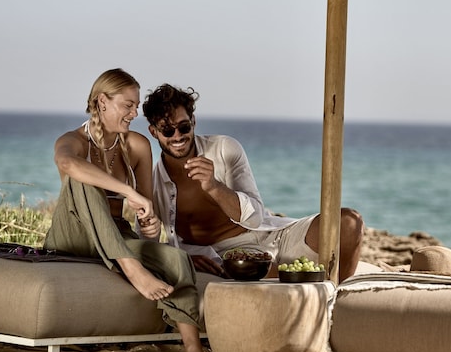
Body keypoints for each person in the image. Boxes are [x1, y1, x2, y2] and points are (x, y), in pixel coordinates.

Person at [42, 68, 221, 352]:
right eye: (128, 105)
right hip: (74, 234)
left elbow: (145, 214)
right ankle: (132, 269)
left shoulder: (137, 145)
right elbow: (67, 163)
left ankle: (192, 350)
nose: (134, 113)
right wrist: (127, 191)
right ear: (102, 102)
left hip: (117, 235)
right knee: (81, 177)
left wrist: (149, 225)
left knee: (176, 259)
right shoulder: (74, 141)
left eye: (136, 106)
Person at [140, 84, 365, 281]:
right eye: (167, 130)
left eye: (184, 127)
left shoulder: (224, 148)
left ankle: (336, 299)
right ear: (153, 132)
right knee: (267, 274)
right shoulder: (154, 183)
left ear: (193, 122)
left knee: (348, 222)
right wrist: (184, 257)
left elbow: (255, 217)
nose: (177, 136)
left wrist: (214, 187)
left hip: (273, 235)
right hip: (231, 257)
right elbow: (147, 242)